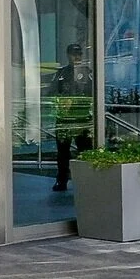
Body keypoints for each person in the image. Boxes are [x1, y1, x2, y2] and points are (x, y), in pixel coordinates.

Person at [49, 43, 94, 191]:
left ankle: (88, 181)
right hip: (65, 120)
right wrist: (61, 101)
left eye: (79, 54)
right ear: (68, 55)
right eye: (74, 54)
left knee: (86, 151)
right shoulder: (61, 73)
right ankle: (62, 180)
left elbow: (94, 93)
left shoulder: (88, 73)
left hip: (82, 119)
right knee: (63, 152)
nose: (77, 57)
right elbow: (51, 92)